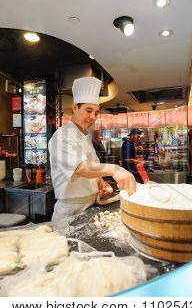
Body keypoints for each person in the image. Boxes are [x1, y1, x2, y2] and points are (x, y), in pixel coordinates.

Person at [48, 77, 136, 221]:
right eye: (88, 110)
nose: (93, 117)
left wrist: (100, 182)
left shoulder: (85, 137)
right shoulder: (62, 135)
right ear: (75, 107)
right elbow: (81, 168)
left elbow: (92, 170)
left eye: (96, 112)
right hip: (70, 212)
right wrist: (116, 169)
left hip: (91, 207)